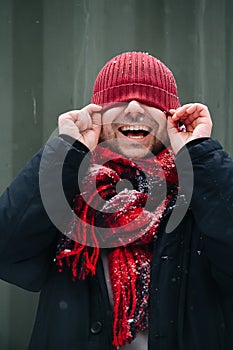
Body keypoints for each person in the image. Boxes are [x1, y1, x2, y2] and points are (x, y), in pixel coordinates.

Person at [0, 51, 233, 350]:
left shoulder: (200, 191)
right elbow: (8, 247)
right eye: (119, 100)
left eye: (150, 100)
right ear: (98, 115)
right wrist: (65, 152)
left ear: (171, 117)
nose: (134, 108)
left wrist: (198, 152)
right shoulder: (72, 188)